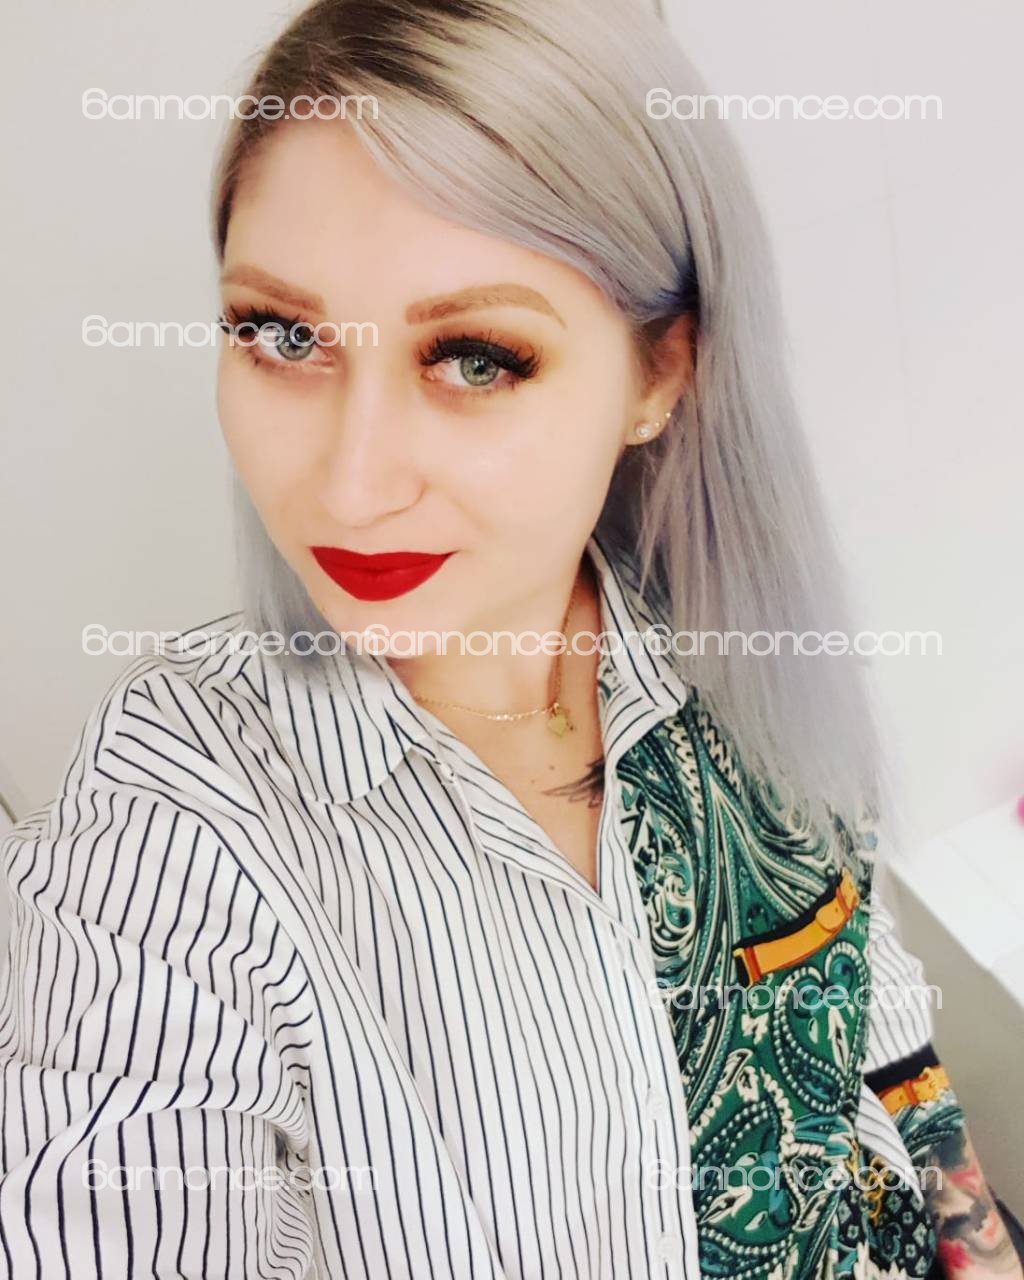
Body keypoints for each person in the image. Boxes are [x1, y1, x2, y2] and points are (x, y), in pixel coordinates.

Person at [1, 1, 1020, 1276]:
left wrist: (978, 1246)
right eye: (282, 335)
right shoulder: (167, 826)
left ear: (660, 374)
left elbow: (875, 1013)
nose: (351, 485)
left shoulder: (737, 647)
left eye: (475, 357)